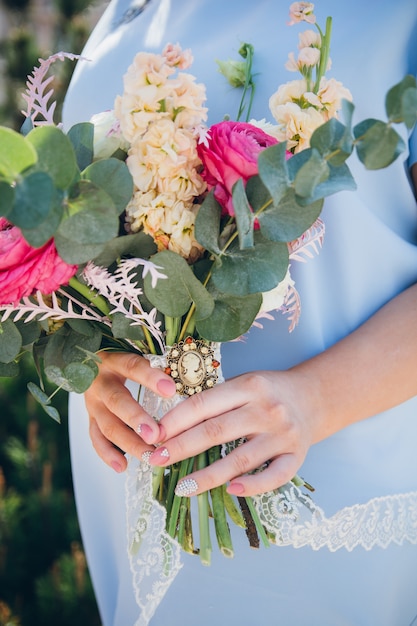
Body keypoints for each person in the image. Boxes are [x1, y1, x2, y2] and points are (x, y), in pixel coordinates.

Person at [63, 1, 417, 624]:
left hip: (328, 486)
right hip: (133, 487)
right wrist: (89, 357)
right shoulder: (125, 20)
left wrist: (313, 400)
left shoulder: (394, 18)